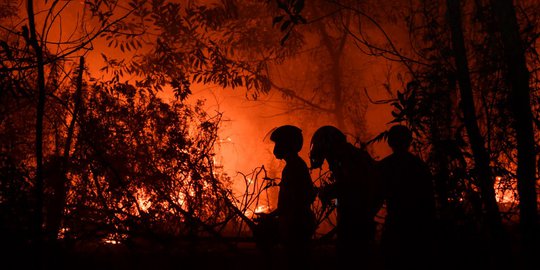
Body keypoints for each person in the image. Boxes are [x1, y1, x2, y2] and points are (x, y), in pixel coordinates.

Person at [309, 125, 383, 269]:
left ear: (330, 146)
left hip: (356, 222)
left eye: (326, 154)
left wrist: (329, 191)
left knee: (352, 258)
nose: (328, 163)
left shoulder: (347, 158)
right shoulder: (351, 155)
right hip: (358, 219)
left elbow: (351, 186)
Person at [377, 125, 436, 270]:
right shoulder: (420, 166)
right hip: (418, 228)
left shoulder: (384, 166)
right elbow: (429, 202)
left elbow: (375, 197)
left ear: (390, 142)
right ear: (409, 141)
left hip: (395, 226)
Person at [262, 125, 316, 269]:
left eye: (278, 143)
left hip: (296, 225)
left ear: (287, 144)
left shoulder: (293, 168)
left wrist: (272, 216)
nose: (276, 148)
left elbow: (292, 202)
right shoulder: (296, 165)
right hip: (297, 223)